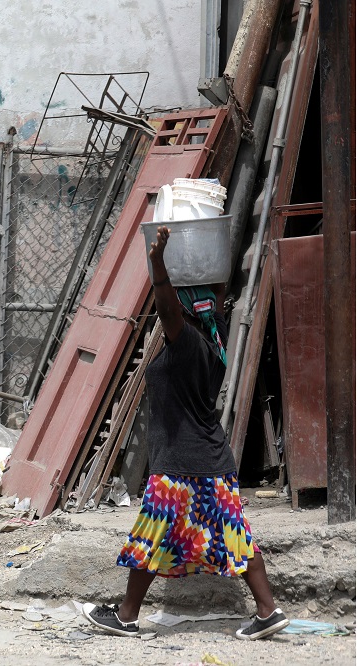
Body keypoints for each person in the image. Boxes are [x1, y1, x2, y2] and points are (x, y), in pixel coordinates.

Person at [82, 226, 289, 641]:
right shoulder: (214, 341)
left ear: (187, 309)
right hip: (209, 461)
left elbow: (167, 307)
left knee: (150, 535)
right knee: (235, 535)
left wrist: (158, 263)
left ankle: (126, 617)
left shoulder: (188, 341)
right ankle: (267, 610)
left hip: (181, 464)